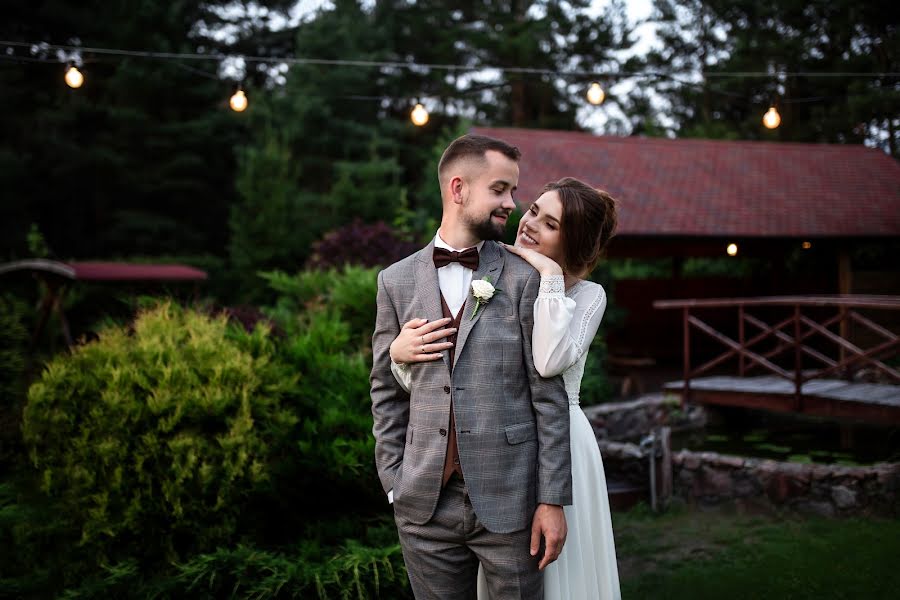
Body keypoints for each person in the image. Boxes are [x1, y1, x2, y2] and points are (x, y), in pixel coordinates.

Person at [390, 177, 621, 600]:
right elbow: (450, 376)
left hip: (561, 445)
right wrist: (399, 354)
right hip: (501, 455)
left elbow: (549, 361)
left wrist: (550, 274)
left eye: (550, 224)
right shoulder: (495, 275)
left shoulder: (589, 296)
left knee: (557, 575)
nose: (529, 223)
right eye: (533, 210)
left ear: (572, 242)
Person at [370, 134, 573, 600]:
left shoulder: (526, 279)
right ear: (458, 189)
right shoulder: (395, 282)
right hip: (422, 504)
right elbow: (385, 390)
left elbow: (548, 397)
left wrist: (550, 499)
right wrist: (393, 482)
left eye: (513, 192)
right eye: (500, 190)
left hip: (512, 504)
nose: (512, 205)